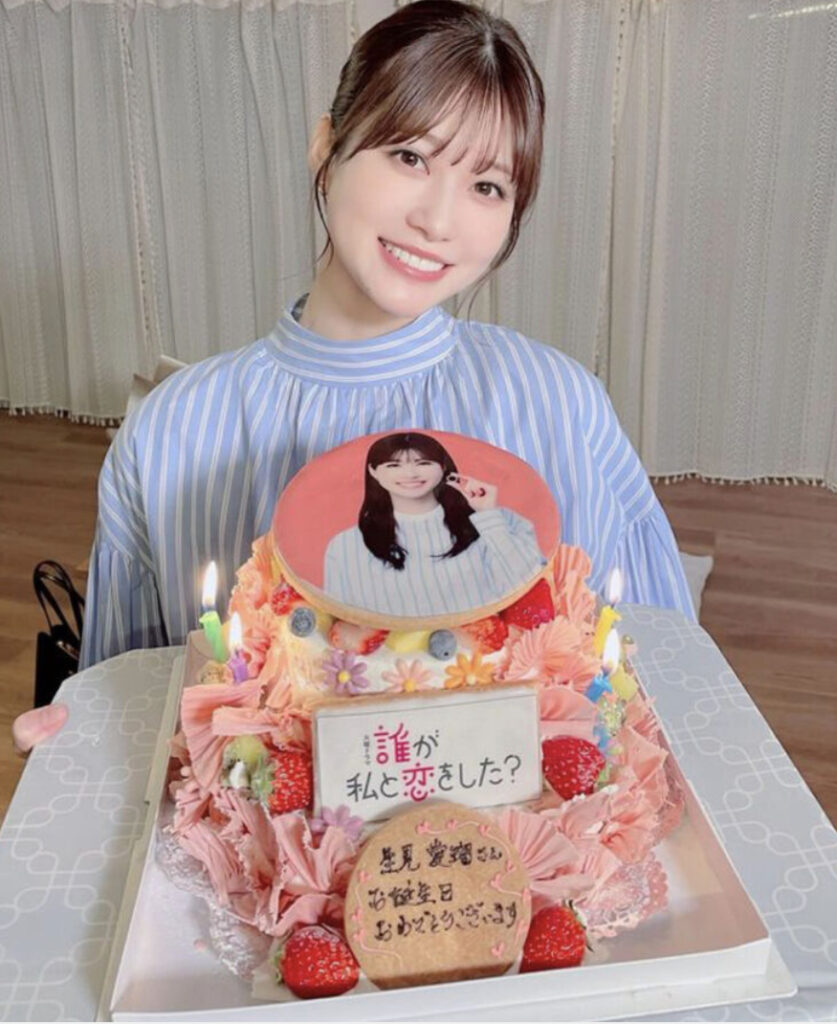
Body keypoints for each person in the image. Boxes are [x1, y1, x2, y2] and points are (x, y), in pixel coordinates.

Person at [22, 0, 692, 735]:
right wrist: (71, 754)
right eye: (410, 157)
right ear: (326, 146)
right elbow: (134, 720)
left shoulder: (561, 403)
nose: (437, 220)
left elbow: (664, 689)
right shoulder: (171, 430)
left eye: (487, 186)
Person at [323, 432, 545, 616]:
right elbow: (338, 618)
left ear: (443, 467)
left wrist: (487, 515)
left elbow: (530, 587)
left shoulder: (498, 521)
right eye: (393, 465)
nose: (410, 474)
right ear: (373, 471)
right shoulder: (344, 546)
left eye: (423, 463)